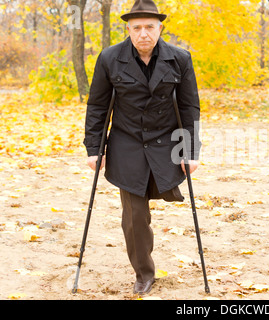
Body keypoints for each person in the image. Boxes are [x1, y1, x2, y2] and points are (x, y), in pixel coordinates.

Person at [83, 0, 201, 295]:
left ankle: (164, 186)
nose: (143, 33)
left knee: (160, 192)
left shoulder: (180, 58)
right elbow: (97, 106)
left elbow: (189, 107)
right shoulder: (110, 58)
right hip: (127, 143)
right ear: (129, 29)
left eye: (150, 27)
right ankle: (144, 272)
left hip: (166, 142)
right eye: (137, 28)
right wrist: (94, 148)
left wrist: (191, 151)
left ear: (160, 28)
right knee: (134, 215)